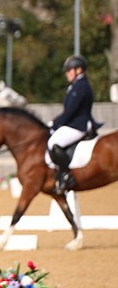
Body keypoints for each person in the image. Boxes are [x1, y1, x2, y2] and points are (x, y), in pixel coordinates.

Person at [48, 54, 94, 194]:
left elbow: (70, 111)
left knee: (53, 143)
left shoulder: (80, 86)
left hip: (79, 124)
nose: (67, 73)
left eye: (69, 70)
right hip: (74, 123)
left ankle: (66, 174)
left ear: (78, 70)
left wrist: (54, 124)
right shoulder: (75, 86)